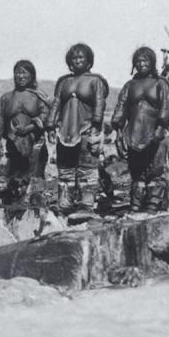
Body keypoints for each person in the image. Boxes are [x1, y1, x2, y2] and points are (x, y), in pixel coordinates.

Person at [47, 43, 109, 214]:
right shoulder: (64, 82)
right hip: (65, 130)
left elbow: (99, 102)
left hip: (87, 128)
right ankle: (65, 204)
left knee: (86, 169)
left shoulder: (95, 81)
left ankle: (85, 205)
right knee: (66, 169)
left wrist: (96, 125)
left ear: (89, 61)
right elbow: (57, 103)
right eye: (74, 58)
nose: (78, 61)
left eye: (81, 57)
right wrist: (50, 125)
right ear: (69, 62)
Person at [111, 47, 169, 211]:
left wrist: (160, 128)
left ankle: (152, 204)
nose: (141, 64)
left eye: (145, 60)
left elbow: (166, 107)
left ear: (152, 62)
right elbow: (121, 107)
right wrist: (118, 131)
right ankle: (136, 204)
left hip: (155, 132)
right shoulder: (130, 86)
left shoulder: (161, 84)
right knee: (137, 171)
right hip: (133, 134)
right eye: (138, 61)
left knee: (155, 170)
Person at [0, 60, 50, 195]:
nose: (21, 76)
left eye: (24, 73)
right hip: (13, 145)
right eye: (17, 73)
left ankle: (36, 204)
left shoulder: (38, 96)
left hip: (35, 143)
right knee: (15, 176)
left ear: (32, 75)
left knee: (35, 176)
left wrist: (29, 128)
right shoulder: (6, 98)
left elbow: (45, 115)